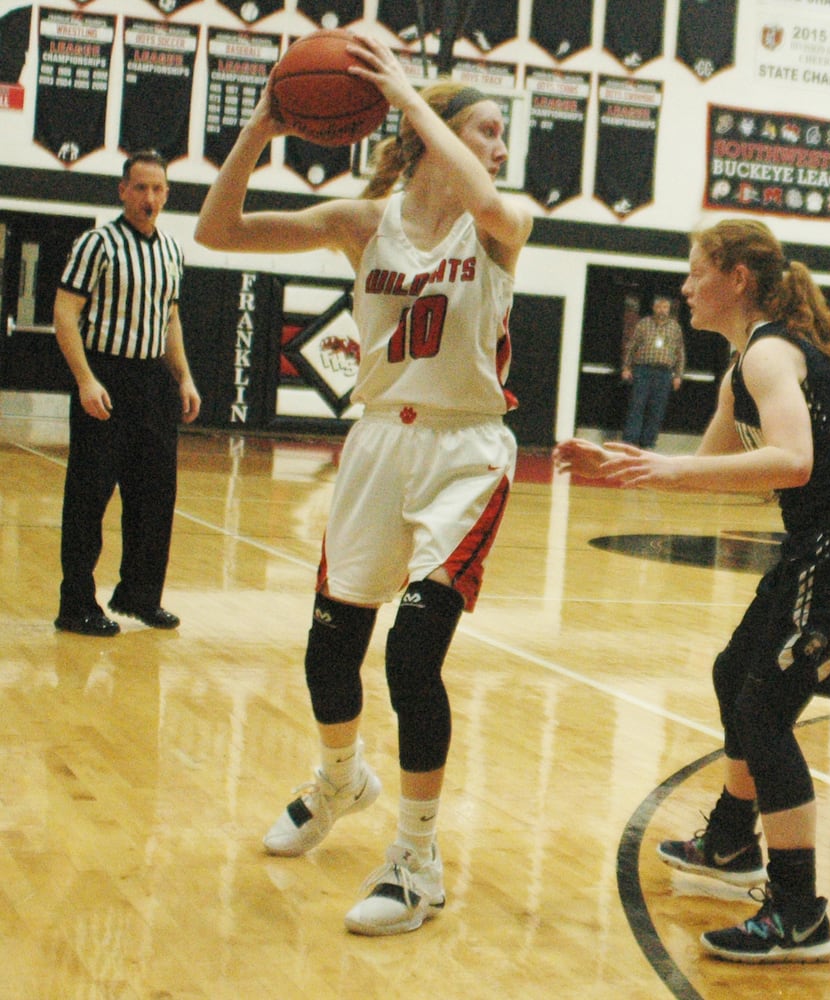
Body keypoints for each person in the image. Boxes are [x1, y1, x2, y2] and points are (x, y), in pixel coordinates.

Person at [195, 44, 532, 935]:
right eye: (487, 128)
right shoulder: (364, 221)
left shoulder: (501, 224)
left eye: (501, 134)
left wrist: (413, 104)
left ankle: (416, 861)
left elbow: (493, 199)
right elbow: (216, 232)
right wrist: (262, 130)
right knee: (328, 650)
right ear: (437, 136)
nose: (500, 146)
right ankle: (340, 781)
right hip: (379, 444)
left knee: (413, 659)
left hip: (465, 453)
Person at [554, 219, 830, 963]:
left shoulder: (773, 353)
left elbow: (794, 461)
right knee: (734, 675)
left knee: (766, 711)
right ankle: (727, 846)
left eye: (694, 272)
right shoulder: (739, 368)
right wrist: (625, 462)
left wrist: (670, 472)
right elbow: (712, 469)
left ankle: (797, 912)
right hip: (820, 543)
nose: (684, 288)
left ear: (736, 278)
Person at [52, 150, 201, 637]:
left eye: (158, 189)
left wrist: (183, 377)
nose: (149, 198)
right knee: (89, 497)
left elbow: (170, 318)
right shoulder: (97, 244)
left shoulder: (172, 251)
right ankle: (75, 605)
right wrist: (86, 379)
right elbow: (65, 315)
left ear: (167, 194)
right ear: (122, 190)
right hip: (106, 379)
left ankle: (139, 596)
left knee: (155, 497)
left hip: (153, 384)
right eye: (140, 188)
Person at [620, 294, 686, 449]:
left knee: (657, 409)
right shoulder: (643, 324)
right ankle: (630, 441)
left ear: (669, 309)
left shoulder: (675, 328)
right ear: (653, 308)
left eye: (665, 307)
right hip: (643, 370)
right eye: (659, 307)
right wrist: (626, 367)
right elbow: (632, 346)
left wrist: (678, 375)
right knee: (637, 406)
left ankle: (648, 443)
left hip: (664, 374)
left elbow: (680, 353)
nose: (662, 310)